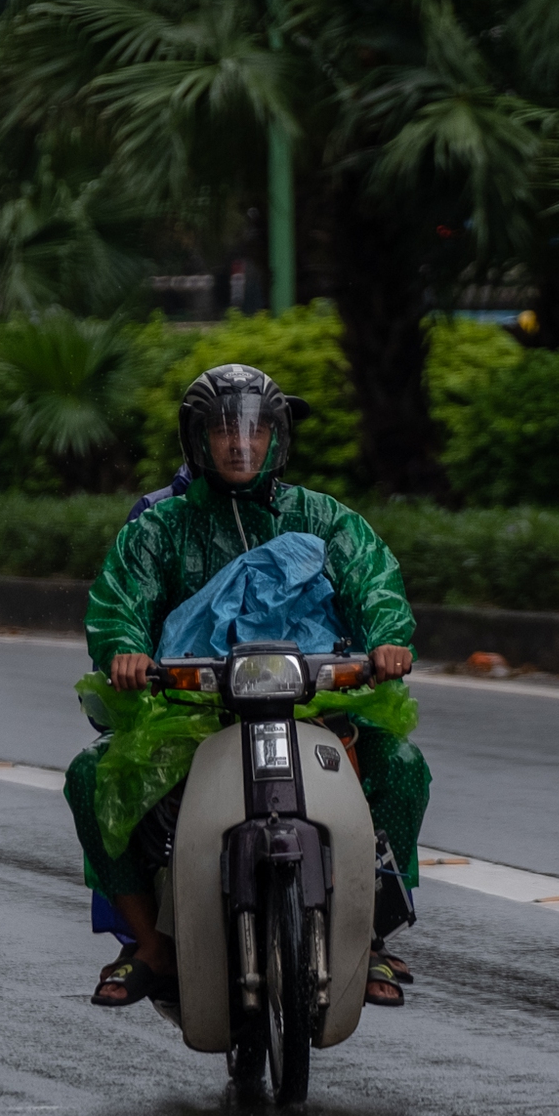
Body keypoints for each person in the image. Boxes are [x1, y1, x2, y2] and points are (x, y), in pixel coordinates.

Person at [71, 364, 430, 1009]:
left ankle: (367, 932)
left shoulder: (321, 518)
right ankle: (150, 946)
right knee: (92, 774)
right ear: (197, 440)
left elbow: (372, 579)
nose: (241, 443)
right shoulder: (160, 526)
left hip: (314, 700)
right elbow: (120, 600)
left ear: (276, 438)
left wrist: (386, 635)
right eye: (224, 430)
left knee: (400, 764)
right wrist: (125, 648)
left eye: (256, 429)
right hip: (192, 707)